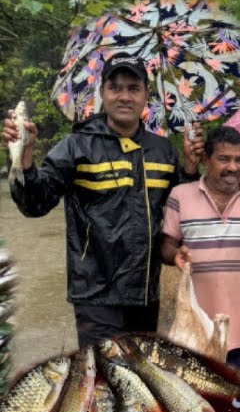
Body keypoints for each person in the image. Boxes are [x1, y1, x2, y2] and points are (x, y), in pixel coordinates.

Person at [3, 54, 204, 348]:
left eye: (134, 88)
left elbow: (181, 216)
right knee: (104, 385)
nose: (125, 96)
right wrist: (25, 156)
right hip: (95, 296)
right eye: (116, 88)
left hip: (145, 295)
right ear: (103, 93)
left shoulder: (163, 151)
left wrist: (188, 168)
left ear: (146, 96)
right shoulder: (76, 146)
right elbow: (34, 204)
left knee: (141, 382)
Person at [160, 125, 240, 386]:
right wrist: (176, 254)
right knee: (201, 406)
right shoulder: (181, 195)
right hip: (197, 326)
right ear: (205, 161)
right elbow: (166, 244)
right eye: (224, 159)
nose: (233, 167)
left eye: (239, 160)